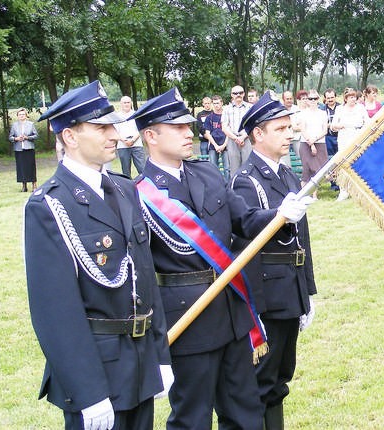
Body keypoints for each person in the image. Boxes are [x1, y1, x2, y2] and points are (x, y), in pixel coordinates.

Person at [129, 87, 310, 430]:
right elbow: (139, 270)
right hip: (186, 318)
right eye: (178, 128)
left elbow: (243, 220)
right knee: (192, 417)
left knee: (245, 413)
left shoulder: (208, 174)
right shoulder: (137, 193)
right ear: (150, 136)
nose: (189, 133)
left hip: (230, 313)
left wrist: (279, 216)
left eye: (188, 126)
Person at [25, 80, 172, 430]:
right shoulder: (50, 205)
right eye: (101, 126)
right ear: (70, 137)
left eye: (113, 125)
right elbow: (55, 311)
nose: (114, 134)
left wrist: (160, 355)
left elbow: (146, 277)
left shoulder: (124, 188)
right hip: (98, 369)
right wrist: (87, 391)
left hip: (139, 362)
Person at [231, 91, 317, 430]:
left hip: (291, 291)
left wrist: (307, 291)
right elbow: (246, 237)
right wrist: (256, 307)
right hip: (268, 296)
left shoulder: (287, 175)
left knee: (280, 378)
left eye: (288, 127)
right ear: (258, 134)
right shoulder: (245, 180)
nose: (289, 134)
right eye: (280, 129)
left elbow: (302, 239)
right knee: (262, 381)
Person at [331, 88, 369, 200]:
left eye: (354, 97)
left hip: (357, 136)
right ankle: (343, 190)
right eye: (350, 97)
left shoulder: (361, 108)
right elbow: (333, 126)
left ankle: (359, 190)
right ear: (346, 98)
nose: (353, 99)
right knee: (343, 163)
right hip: (344, 137)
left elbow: (367, 121)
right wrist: (341, 125)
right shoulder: (339, 109)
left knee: (358, 162)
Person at [296, 90, 328, 199]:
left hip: (320, 143)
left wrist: (314, 140)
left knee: (318, 170)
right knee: (306, 170)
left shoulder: (323, 113)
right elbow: (303, 130)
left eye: (315, 98)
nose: (313, 101)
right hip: (306, 143)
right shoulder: (303, 114)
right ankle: (301, 195)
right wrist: (311, 144)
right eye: (310, 98)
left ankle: (314, 195)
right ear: (307, 100)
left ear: (318, 100)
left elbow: (325, 131)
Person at [222, 85, 253, 179]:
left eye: (240, 92)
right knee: (234, 168)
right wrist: (236, 138)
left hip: (247, 140)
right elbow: (224, 127)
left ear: (244, 94)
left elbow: (252, 125)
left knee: (248, 167)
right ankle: (235, 190)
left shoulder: (250, 107)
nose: (238, 95)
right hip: (232, 140)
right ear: (232, 95)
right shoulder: (226, 109)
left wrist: (243, 137)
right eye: (235, 93)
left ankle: (249, 189)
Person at [114, 96, 146, 178]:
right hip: (122, 146)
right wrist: (124, 140)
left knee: (142, 169)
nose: (126, 104)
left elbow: (140, 129)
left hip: (137, 145)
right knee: (126, 172)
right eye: (124, 102)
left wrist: (133, 140)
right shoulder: (116, 117)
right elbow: (115, 132)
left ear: (131, 103)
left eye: (128, 102)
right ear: (121, 104)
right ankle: (128, 189)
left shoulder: (136, 114)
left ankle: (146, 187)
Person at [9, 107, 38, 192]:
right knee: (21, 168)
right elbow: (10, 137)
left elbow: (36, 135)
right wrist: (16, 139)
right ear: (17, 116)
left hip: (29, 148)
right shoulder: (14, 125)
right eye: (20, 114)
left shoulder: (31, 124)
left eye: (23, 114)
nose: (21, 116)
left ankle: (34, 185)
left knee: (31, 167)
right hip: (19, 149)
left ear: (26, 115)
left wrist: (27, 137)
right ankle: (24, 186)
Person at [204, 95, 229, 179]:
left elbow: (230, 132)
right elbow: (207, 133)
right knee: (213, 169)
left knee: (227, 169)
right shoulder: (209, 118)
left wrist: (224, 145)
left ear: (222, 103)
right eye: (214, 103)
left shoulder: (226, 116)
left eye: (218, 103)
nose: (216, 105)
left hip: (226, 145)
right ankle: (217, 186)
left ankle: (228, 187)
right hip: (213, 145)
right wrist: (215, 145)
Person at [321, 88, 340, 191]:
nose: (330, 99)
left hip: (340, 136)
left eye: (332, 97)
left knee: (341, 160)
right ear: (325, 98)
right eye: (328, 98)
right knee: (330, 161)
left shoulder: (341, 107)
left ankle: (342, 183)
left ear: (335, 97)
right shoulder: (322, 109)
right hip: (328, 137)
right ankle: (334, 184)